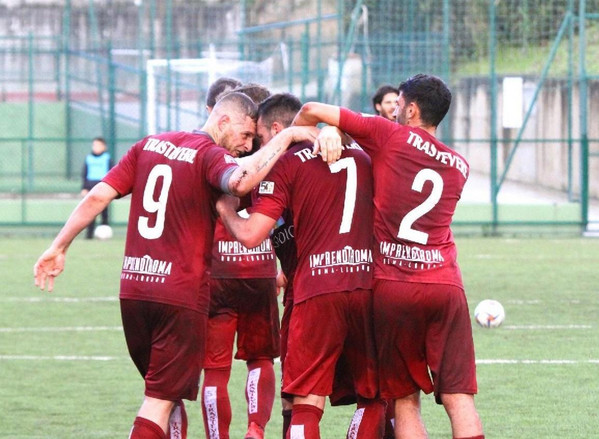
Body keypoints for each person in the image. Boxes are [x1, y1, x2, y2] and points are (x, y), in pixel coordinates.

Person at [33, 91, 320, 439]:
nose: (247, 145)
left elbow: (97, 196)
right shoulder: (210, 156)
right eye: (246, 135)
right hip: (179, 297)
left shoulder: (148, 146)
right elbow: (241, 181)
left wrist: (58, 246)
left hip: (134, 291)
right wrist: (287, 137)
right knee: (159, 400)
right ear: (223, 120)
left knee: (164, 399)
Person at [292, 73, 485, 439]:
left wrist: (321, 133)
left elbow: (310, 109)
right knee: (460, 399)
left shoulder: (389, 135)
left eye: (398, 104)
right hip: (446, 286)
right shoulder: (459, 165)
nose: (393, 110)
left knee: (404, 400)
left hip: (394, 287)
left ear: (411, 109)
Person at [216, 112, 384, 438]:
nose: (257, 147)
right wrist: (339, 126)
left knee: (304, 402)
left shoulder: (286, 164)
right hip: (369, 286)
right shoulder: (365, 156)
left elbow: (250, 229)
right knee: (374, 397)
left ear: (278, 131)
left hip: (315, 289)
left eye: (260, 138)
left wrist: (225, 212)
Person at [201, 82, 278, 439]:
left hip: (216, 270)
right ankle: (256, 430)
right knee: (260, 358)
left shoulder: (207, 153)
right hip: (259, 266)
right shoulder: (273, 156)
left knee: (214, 368)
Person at [81, 136, 113, 239]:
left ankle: (105, 233)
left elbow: (112, 173)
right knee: (90, 212)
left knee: (104, 211)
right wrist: (84, 187)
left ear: (104, 147)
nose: (96, 147)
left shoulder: (107, 158)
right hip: (91, 186)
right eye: (94, 145)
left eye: (98, 145)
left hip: (103, 186)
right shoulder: (88, 158)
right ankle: (89, 235)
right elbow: (84, 173)